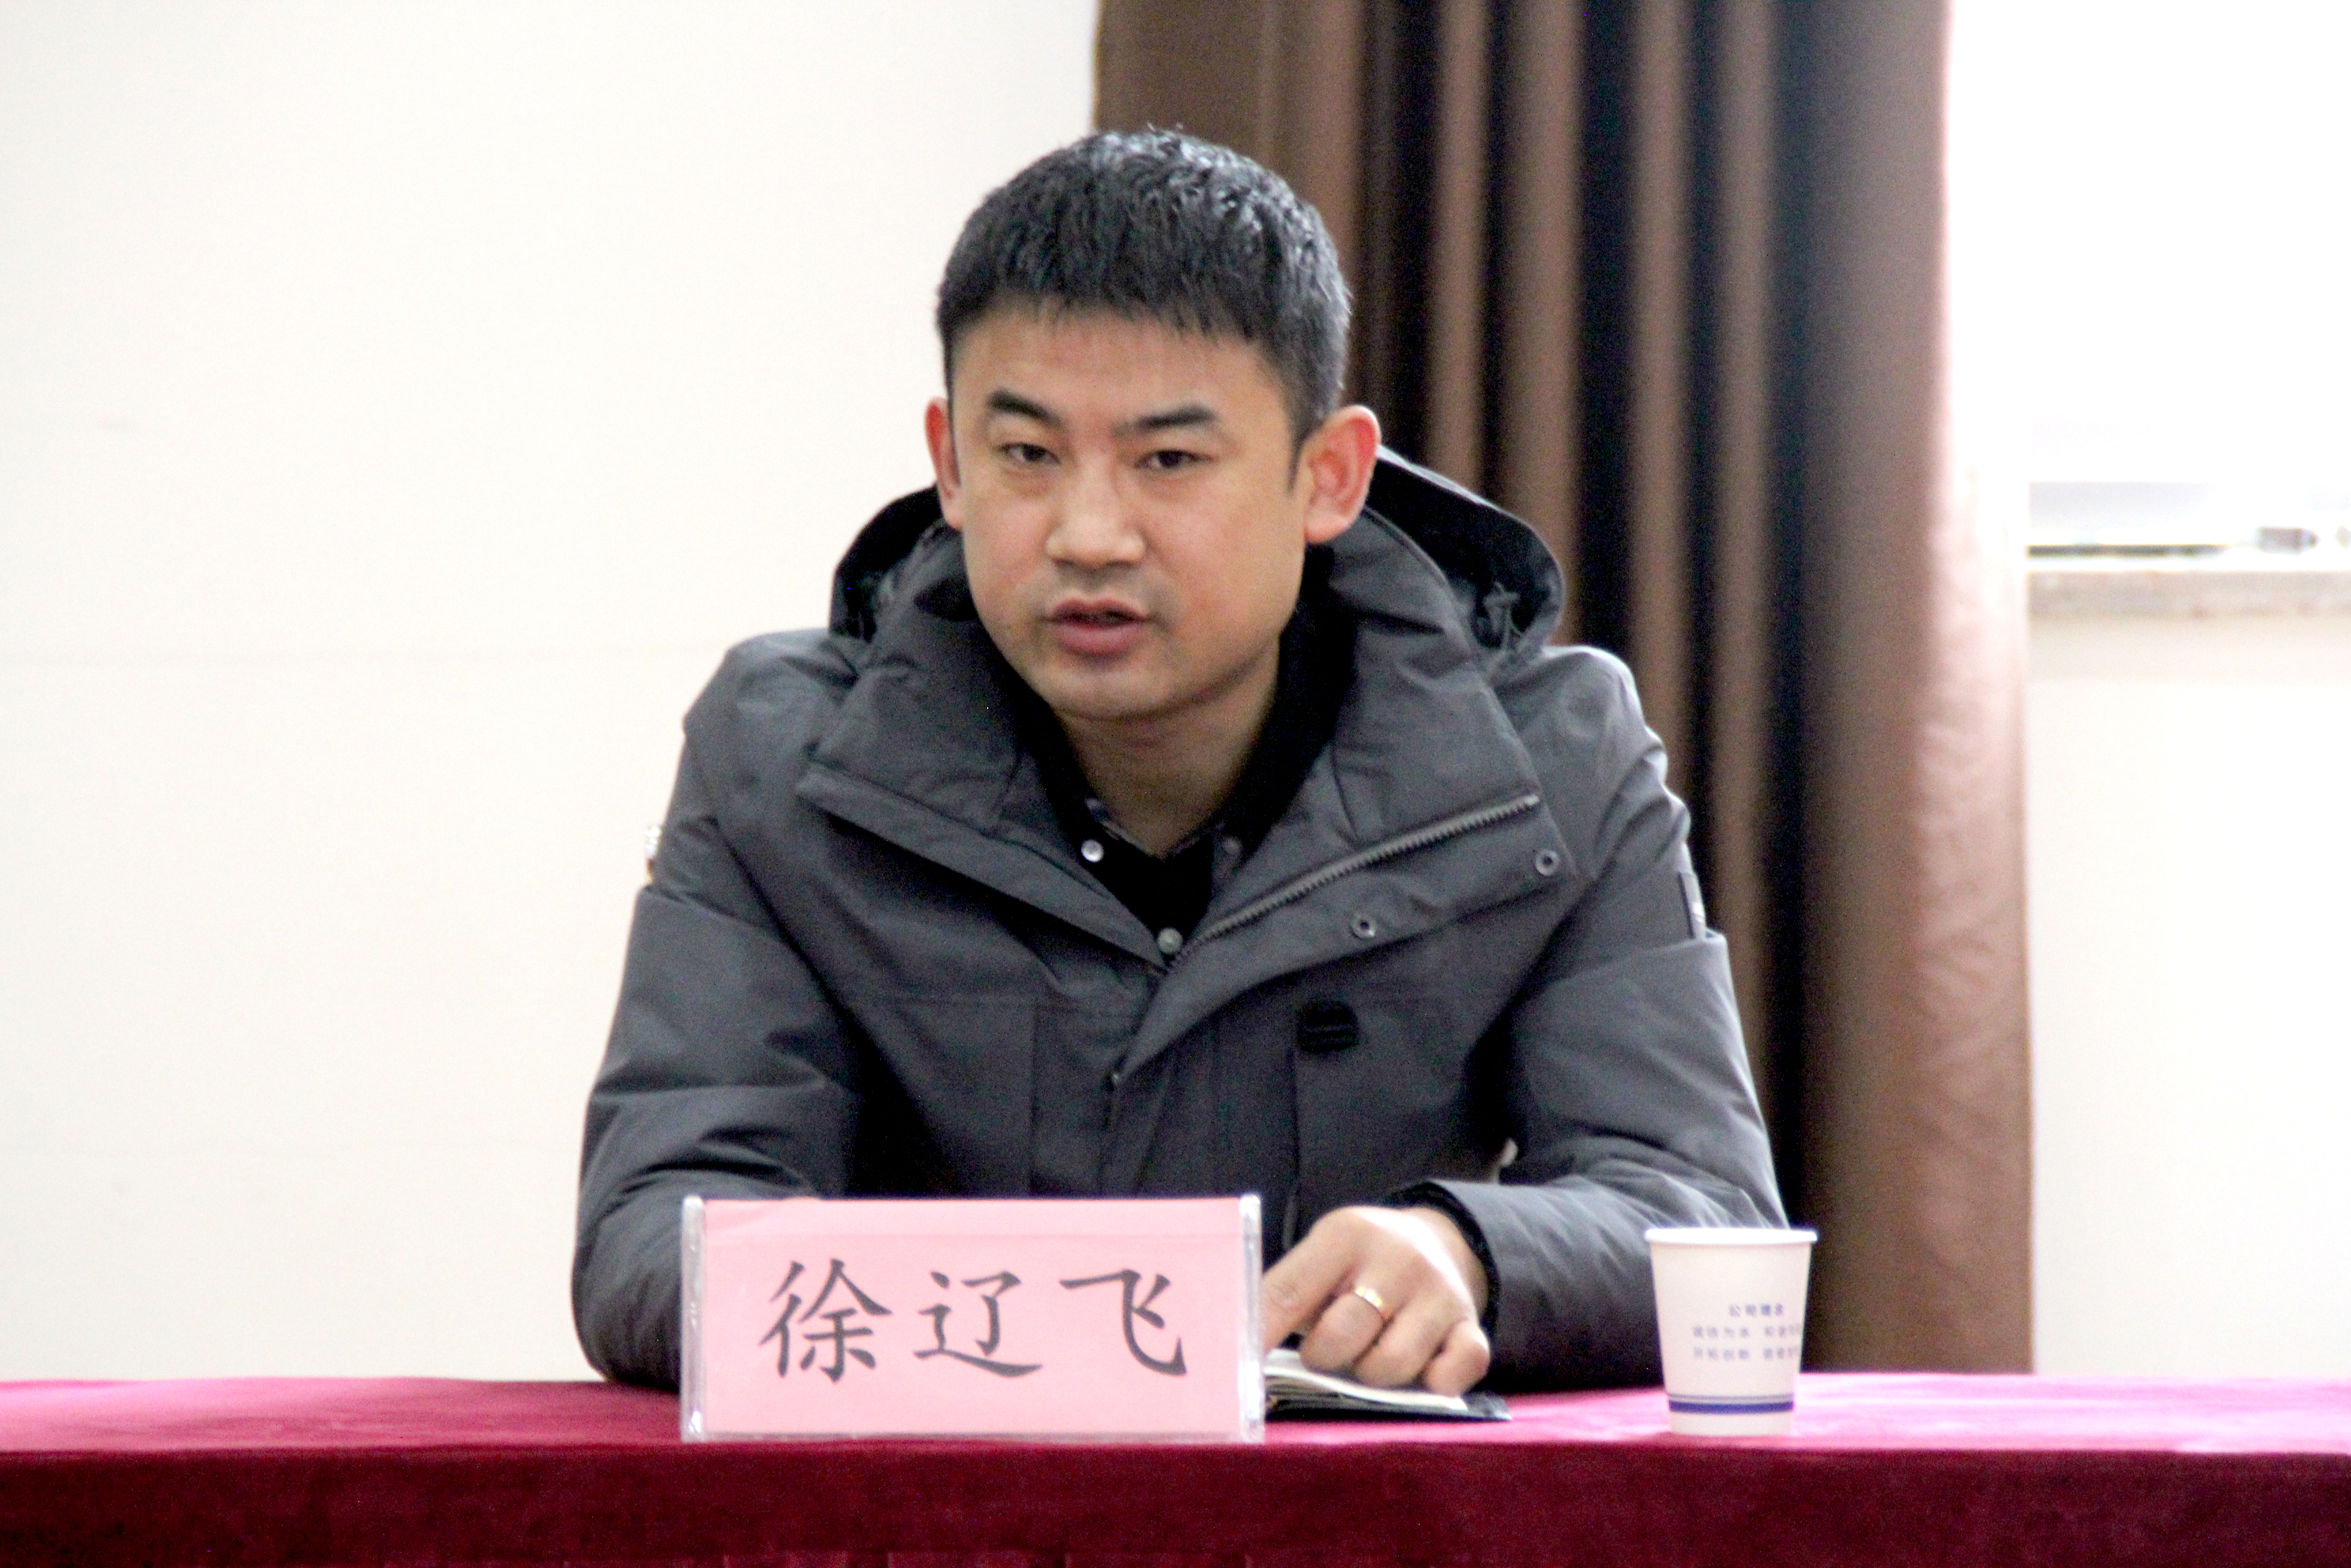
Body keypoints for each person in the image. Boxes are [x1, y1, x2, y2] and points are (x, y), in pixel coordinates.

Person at [573, 130, 1783, 1396]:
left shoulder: (1550, 765)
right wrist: (997, 1315)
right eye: (1027, 456)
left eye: (1169, 461)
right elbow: (653, 1233)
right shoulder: (779, 761)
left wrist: (1467, 1252)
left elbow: (1702, 1214)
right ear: (950, 464)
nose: (1090, 535)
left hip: (1360, 1499)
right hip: (937, 1486)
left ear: (1328, 476)